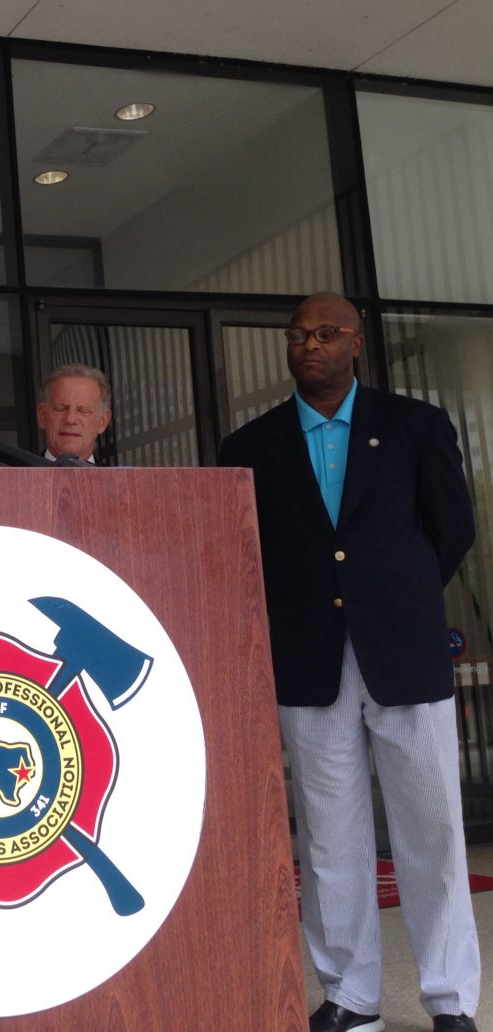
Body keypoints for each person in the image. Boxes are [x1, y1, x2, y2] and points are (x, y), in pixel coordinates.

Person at [219, 293, 479, 1032]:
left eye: (327, 333)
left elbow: (450, 528)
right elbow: (249, 555)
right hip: (310, 660)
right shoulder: (251, 446)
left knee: (432, 831)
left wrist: (391, 595)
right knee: (329, 836)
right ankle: (351, 996)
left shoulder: (414, 427)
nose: (310, 345)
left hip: (403, 652)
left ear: (356, 343)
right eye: (298, 335)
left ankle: (451, 998)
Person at [36, 362, 112, 463]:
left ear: (103, 421)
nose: (70, 419)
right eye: (61, 408)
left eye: (83, 410)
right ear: (42, 416)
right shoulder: (15, 478)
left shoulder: (119, 479)